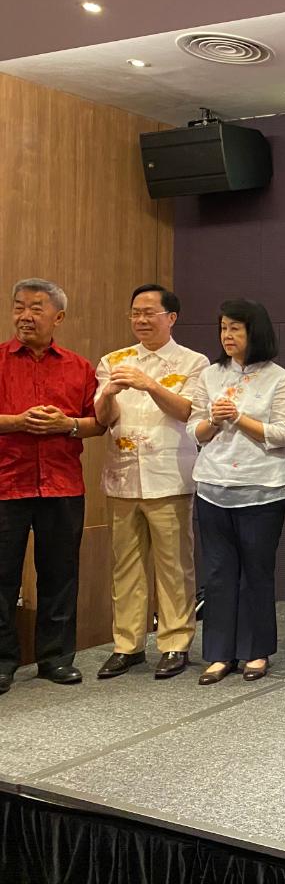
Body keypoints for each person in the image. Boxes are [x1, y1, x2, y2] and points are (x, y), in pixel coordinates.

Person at [94, 284, 209, 681]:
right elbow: (103, 418)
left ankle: (175, 641)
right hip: (122, 476)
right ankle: (127, 644)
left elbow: (187, 413)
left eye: (149, 313)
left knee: (174, 565)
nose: (141, 320)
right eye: (135, 313)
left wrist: (150, 384)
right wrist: (109, 391)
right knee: (124, 565)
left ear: (171, 318)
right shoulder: (114, 360)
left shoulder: (194, 362)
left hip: (169, 477)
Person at [0, 279, 103, 694]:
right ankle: (3, 662)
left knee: (60, 575)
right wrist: (16, 422)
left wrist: (68, 426)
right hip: (6, 483)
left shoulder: (79, 366)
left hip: (61, 485)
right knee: (1, 577)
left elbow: (100, 423)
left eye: (36, 308)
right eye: (19, 307)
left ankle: (56, 658)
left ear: (58, 317)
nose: (26, 316)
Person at [187, 299, 285, 684]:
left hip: (262, 490)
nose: (227, 335)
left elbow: (284, 433)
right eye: (223, 328)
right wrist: (212, 423)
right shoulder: (210, 374)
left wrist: (240, 418)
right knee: (217, 573)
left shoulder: (278, 377)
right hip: (213, 485)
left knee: (256, 572)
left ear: (255, 331)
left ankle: (256, 651)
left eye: (236, 328)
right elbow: (194, 429)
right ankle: (218, 654)